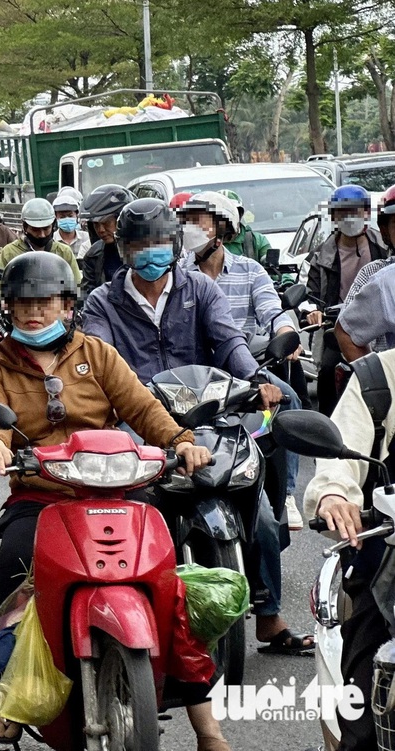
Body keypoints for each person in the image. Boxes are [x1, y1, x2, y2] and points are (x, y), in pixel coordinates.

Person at [0, 251, 228, 751]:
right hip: (43, 495)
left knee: (169, 580)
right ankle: (9, 692)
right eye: (23, 302)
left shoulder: (98, 353)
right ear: (8, 307)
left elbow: (140, 406)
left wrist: (180, 440)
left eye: (45, 301)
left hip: (117, 488)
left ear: (66, 304)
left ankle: (207, 725)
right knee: (11, 567)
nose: (34, 311)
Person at [82, 197, 315, 656]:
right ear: (123, 250)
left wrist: (255, 378)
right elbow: (101, 361)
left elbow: (228, 340)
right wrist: (131, 401)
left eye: (159, 243)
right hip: (140, 423)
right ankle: (133, 609)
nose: (150, 253)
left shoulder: (200, 290)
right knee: (130, 511)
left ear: (174, 245)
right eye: (139, 245)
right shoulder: (102, 302)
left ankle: (268, 615)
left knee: (263, 517)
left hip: (210, 413)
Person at [177, 191, 305, 531]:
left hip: (244, 373)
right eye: (186, 221)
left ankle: (287, 493)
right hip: (186, 377)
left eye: (198, 221)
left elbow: (273, 311)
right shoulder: (177, 274)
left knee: (288, 399)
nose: (189, 228)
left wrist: (285, 331)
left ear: (221, 229)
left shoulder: (250, 270)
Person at [304, 348, 395, 751]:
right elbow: (338, 457)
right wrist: (334, 495)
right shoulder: (379, 378)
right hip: (388, 567)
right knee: (365, 714)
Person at [306, 184, 390, 415]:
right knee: (327, 371)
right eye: (343, 212)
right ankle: (328, 429)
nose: (350, 218)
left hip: (382, 329)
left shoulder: (383, 252)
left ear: (367, 214)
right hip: (340, 327)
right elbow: (309, 292)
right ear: (334, 217)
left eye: (355, 211)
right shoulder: (320, 256)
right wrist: (314, 311)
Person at [336, 184, 395, 361]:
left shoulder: (375, 245)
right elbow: (346, 330)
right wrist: (377, 378)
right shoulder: (381, 277)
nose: (350, 218)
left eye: (355, 212)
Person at [0, 198, 81, 300]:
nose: (42, 235)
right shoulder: (10, 252)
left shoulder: (64, 252)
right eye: (36, 230)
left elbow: (76, 285)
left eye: (46, 228)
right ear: (25, 227)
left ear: (53, 225)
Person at [78, 183, 136, 297]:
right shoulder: (93, 255)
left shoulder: (143, 249)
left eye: (106, 223)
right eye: (96, 224)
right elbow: (88, 296)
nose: (101, 230)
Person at [218, 189, 274, 267]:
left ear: (239, 215)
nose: (225, 218)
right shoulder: (203, 243)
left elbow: (276, 270)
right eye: (219, 214)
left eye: (230, 212)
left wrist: (287, 279)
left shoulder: (257, 241)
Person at [51, 188, 90, 259]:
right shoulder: (52, 240)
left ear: (77, 215)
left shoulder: (86, 238)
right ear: (56, 217)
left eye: (70, 216)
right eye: (62, 217)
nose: (67, 219)